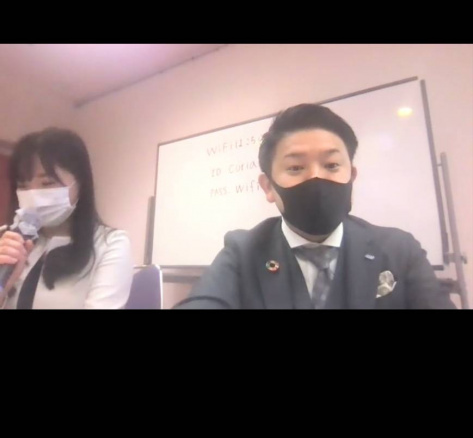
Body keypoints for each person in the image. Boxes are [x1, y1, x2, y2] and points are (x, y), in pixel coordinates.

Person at [174, 103, 456, 310]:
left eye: (331, 165)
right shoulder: (242, 250)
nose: (316, 178)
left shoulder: (399, 250)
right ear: (268, 187)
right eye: (296, 168)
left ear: (351, 177)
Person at [0, 128, 134, 309]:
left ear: (80, 183)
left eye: (47, 183)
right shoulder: (6, 239)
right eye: (23, 185)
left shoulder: (110, 244)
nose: (33, 195)